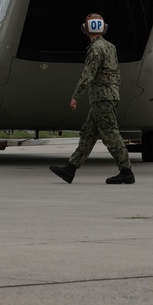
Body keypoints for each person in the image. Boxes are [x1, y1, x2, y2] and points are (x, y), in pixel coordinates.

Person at [50, 13, 135, 185]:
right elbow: (117, 74)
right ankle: (70, 169)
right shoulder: (110, 47)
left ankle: (126, 171)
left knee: (110, 133)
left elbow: (88, 74)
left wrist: (75, 96)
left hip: (101, 97)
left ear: (85, 29)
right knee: (88, 133)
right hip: (108, 96)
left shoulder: (95, 49)